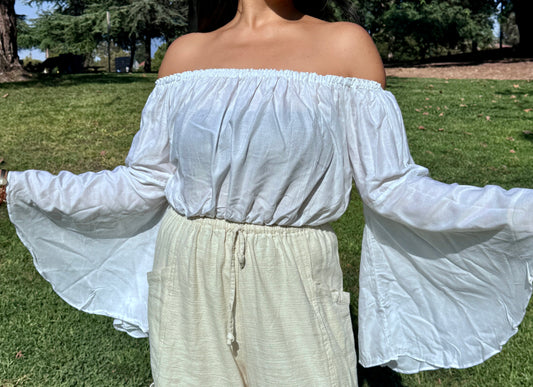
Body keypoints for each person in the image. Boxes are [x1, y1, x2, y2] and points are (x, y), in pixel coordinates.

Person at [2, 0, 533, 385]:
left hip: (294, 272)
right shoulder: (185, 55)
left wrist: (520, 210)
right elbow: (142, 181)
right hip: (186, 267)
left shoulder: (345, 45)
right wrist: (16, 187)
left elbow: (391, 187)